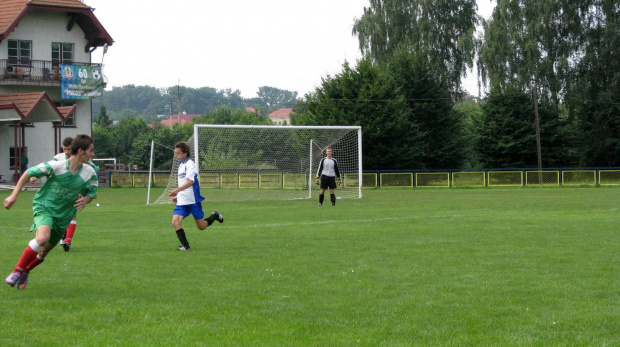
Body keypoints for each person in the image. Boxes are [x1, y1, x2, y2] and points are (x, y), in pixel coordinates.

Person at [4, 134, 98, 290]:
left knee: (44, 251)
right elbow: (28, 173)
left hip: (64, 215)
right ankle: (16, 271)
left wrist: (85, 200)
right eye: (91, 151)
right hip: (45, 206)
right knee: (42, 238)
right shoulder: (57, 166)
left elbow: (93, 193)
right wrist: (14, 195)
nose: (93, 154)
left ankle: (26, 271)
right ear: (81, 151)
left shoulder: (90, 172)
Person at [29, 136, 99, 251]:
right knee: (46, 233)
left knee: (72, 213)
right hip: (56, 194)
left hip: (74, 192)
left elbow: (92, 174)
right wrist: (36, 176)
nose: (67, 152)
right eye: (64, 149)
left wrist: (89, 194)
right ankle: (53, 238)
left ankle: (67, 240)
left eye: (69, 149)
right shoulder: (58, 158)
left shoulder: (85, 162)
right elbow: (49, 169)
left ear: (76, 149)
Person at [168, 141, 223, 251]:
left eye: (178, 153)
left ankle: (215, 216)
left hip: (192, 200)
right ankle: (186, 247)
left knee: (201, 226)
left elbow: (190, 182)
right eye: (175, 153)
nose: (176, 155)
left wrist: (176, 190)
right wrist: (178, 195)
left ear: (185, 153)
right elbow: (183, 183)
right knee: (175, 222)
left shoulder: (190, 164)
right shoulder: (181, 165)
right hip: (182, 201)